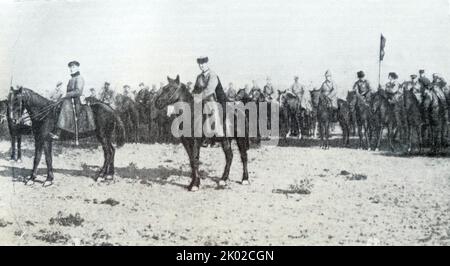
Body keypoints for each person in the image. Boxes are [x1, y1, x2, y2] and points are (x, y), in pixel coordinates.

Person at [192, 56, 227, 139]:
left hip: (214, 99)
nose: (201, 65)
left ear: (207, 63)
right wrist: (192, 95)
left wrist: (198, 97)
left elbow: (209, 90)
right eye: (199, 64)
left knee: (213, 112)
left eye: (203, 63)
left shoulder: (212, 75)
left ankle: (219, 135)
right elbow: (195, 89)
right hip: (201, 100)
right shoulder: (199, 77)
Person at [49, 61, 85, 140]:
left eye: (73, 67)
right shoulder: (71, 79)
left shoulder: (80, 78)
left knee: (65, 106)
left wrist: (66, 95)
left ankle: (58, 132)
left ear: (77, 67)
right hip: (69, 100)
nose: (71, 69)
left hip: (76, 101)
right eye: (70, 67)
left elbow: (78, 91)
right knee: (56, 105)